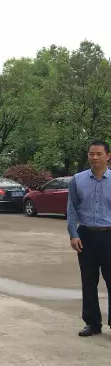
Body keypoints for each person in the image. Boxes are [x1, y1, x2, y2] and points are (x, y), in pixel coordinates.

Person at [67, 140, 111, 337]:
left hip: (109, 235)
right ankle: (92, 323)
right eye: (91, 154)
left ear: (108, 156)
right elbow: (72, 209)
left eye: (99, 154)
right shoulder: (78, 180)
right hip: (86, 236)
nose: (95, 157)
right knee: (88, 281)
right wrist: (73, 234)